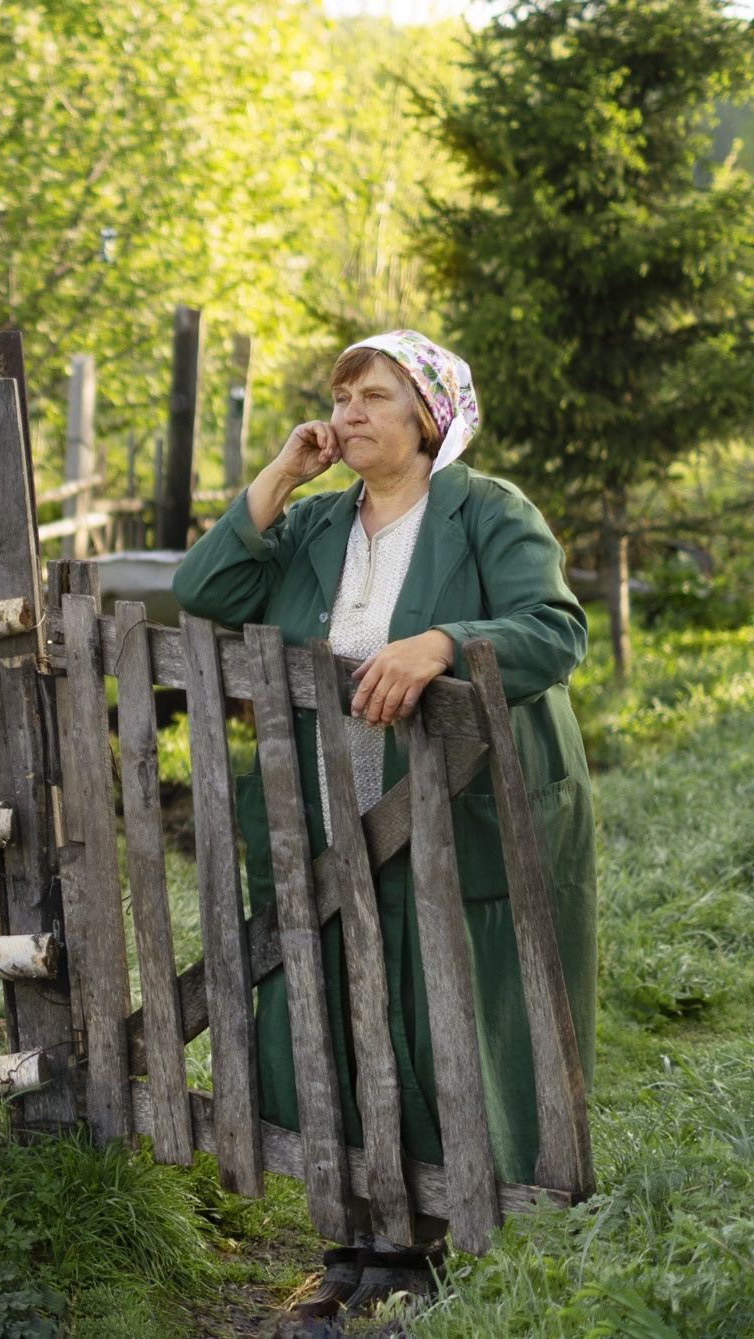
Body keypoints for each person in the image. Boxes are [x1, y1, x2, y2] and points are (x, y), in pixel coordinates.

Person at [171, 331, 596, 1317]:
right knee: (340, 1007)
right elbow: (203, 588)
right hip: (331, 814)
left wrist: (443, 641)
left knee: (437, 1012)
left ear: (428, 419)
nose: (348, 412)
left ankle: (425, 1245)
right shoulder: (316, 523)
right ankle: (356, 1237)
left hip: (454, 811)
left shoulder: (488, 512)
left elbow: (554, 629)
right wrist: (282, 472)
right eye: (340, 396)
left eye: (373, 396)